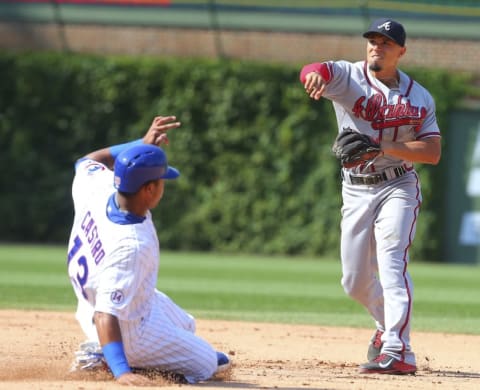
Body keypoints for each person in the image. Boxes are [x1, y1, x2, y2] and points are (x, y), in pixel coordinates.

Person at [299, 18, 441, 374]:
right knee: (353, 282)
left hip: (398, 185)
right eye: (373, 40)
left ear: (401, 52)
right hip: (356, 189)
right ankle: (384, 326)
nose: (377, 46)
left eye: (386, 43)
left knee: (392, 263)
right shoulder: (348, 76)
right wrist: (311, 75)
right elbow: (316, 69)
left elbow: (433, 151)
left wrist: (382, 144)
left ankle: (399, 349)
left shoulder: (419, 96)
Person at [67, 115, 231, 385]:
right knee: (209, 363)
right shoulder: (132, 244)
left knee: (186, 324)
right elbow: (106, 314)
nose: (164, 185)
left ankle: (103, 348)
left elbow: (87, 161)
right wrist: (123, 372)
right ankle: (105, 357)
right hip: (123, 329)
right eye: (162, 181)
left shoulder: (98, 186)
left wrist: (140, 144)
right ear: (149, 189)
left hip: (96, 303)